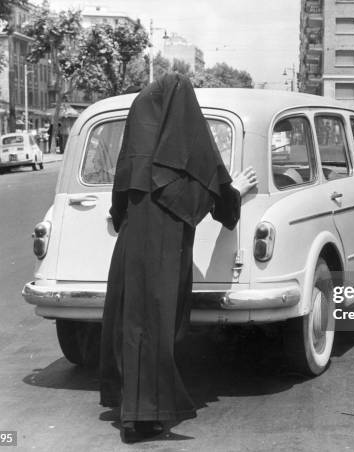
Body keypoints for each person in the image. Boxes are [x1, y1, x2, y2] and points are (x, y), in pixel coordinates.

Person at [99, 73, 258, 443]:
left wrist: (121, 215)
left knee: (130, 321)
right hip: (166, 247)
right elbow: (212, 187)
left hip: (131, 246)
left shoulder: (136, 147)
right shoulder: (185, 151)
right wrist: (236, 191)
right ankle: (149, 415)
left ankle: (131, 411)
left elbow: (119, 198)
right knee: (158, 323)